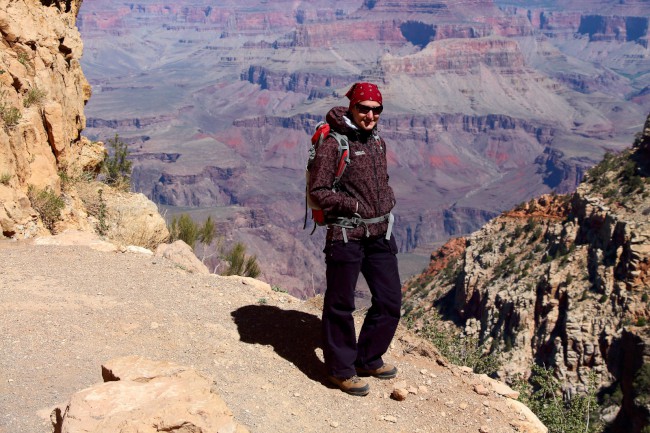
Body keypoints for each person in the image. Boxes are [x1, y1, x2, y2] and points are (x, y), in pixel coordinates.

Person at [309, 82, 401, 396]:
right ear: (352, 107)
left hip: (379, 234)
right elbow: (319, 192)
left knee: (389, 302)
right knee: (340, 304)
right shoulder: (334, 144)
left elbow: (382, 181)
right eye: (364, 108)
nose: (370, 115)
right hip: (347, 234)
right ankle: (340, 370)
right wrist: (355, 206)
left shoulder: (377, 142)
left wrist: (387, 200)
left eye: (376, 110)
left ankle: (368, 357)